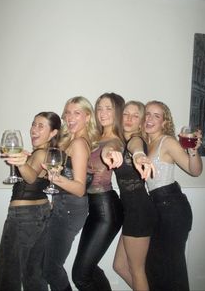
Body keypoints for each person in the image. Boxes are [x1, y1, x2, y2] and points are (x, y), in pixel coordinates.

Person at [0, 111, 61, 291]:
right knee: (33, 274)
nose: (34, 129)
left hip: (24, 217)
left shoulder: (41, 153)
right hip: (40, 213)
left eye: (41, 126)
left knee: (9, 274)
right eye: (33, 124)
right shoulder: (43, 153)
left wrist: (21, 163)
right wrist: (22, 160)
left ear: (53, 133)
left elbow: (31, 178)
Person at [143, 100, 203, 291]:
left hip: (173, 208)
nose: (150, 118)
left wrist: (193, 150)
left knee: (171, 267)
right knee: (154, 266)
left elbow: (194, 171)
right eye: (147, 113)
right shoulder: (145, 143)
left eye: (156, 115)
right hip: (157, 209)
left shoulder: (166, 141)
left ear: (164, 122)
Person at [43, 96, 98, 291]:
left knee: (51, 267)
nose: (70, 117)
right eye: (67, 112)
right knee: (49, 265)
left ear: (88, 117)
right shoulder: (71, 140)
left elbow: (80, 188)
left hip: (69, 209)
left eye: (77, 113)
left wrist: (56, 179)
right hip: (62, 206)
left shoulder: (79, 144)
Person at [102, 100, 157, 291]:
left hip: (140, 210)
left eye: (135, 116)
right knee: (119, 266)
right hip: (131, 211)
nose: (129, 119)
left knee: (137, 270)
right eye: (126, 114)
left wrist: (139, 156)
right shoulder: (119, 142)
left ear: (141, 122)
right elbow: (111, 149)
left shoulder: (136, 140)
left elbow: (137, 148)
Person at [72, 93, 124, 291]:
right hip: (93, 208)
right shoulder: (95, 137)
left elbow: (112, 148)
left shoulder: (115, 139)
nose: (102, 113)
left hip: (106, 209)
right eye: (99, 108)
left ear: (117, 112)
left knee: (80, 276)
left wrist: (108, 152)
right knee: (88, 270)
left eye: (108, 108)